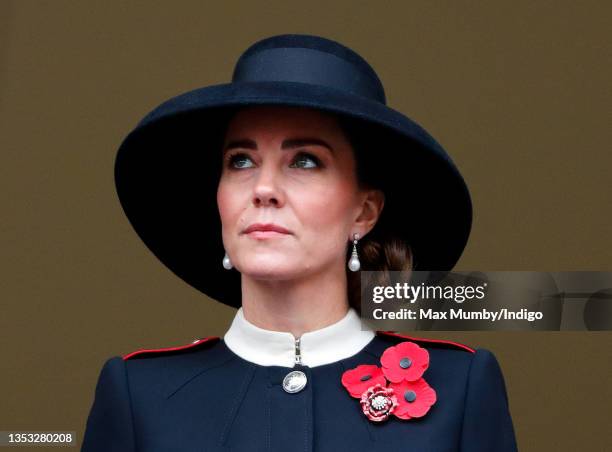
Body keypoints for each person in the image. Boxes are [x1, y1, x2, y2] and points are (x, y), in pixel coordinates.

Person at [81, 34, 517, 451]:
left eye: (304, 160)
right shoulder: (140, 395)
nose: (263, 187)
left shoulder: (459, 388)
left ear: (364, 212)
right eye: (241, 161)